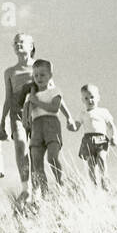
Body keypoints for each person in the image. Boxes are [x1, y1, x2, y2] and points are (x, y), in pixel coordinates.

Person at [24, 59, 79, 198]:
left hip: (51, 125)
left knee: (52, 157)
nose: (39, 78)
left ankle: (60, 183)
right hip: (36, 128)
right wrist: (26, 118)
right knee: (36, 162)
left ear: (50, 75)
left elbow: (56, 107)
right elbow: (27, 110)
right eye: (36, 75)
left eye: (42, 75)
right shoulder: (32, 95)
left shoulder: (55, 91)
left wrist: (69, 118)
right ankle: (45, 193)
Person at [0, 32, 37, 199]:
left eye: (21, 41)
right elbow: (8, 98)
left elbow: (49, 88)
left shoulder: (39, 66)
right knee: (20, 145)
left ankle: (38, 186)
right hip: (17, 113)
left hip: (36, 111)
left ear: (31, 46)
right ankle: (25, 187)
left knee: (36, 149)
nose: (17, 44)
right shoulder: (9, 72)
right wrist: (2, 122)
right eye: (15, 42)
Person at [78, 83, 117, 190]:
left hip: (101, 139)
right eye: (86, 98)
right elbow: (77, 126)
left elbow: (111, 125)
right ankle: (94, 184)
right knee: (90, 163)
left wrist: (114, 136)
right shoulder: (83, 114)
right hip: (87, 140)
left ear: (98, 98)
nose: (90, 100)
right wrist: (71, 125)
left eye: (92, 97)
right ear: (83, 100)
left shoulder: (103, 111)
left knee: (101, 158)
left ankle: (104, 180)